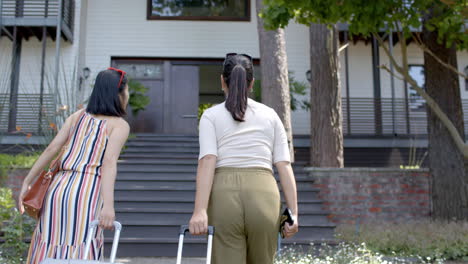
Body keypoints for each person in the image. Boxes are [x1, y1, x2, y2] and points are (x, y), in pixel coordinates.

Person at [189, 53, 299, 264]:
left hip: (223, 194)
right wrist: (293, 214)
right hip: (264, 192)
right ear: (252, 83)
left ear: (223, 80)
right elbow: (284, 166)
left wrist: (200, 210)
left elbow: (207, 161)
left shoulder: (211, 116)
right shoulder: (271, 115)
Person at [19, 68, 130, 263]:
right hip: (86, 192)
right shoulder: (119, 125)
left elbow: (51, 149)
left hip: (58, 189)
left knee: (48, 241)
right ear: (119, 93)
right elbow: (109, 163)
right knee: (83, 244)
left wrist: (27, 181)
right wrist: (109, 207)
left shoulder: (78, 116)